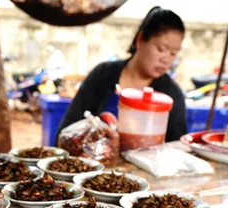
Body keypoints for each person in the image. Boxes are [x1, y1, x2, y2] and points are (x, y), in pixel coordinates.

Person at [58, 7, 188, 142]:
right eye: (161, 49)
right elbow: (67, 131)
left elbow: (178, 147)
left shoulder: (172, 95)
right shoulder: (103, 75)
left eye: (173, 53)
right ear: (140, 40)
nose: (166, 59)